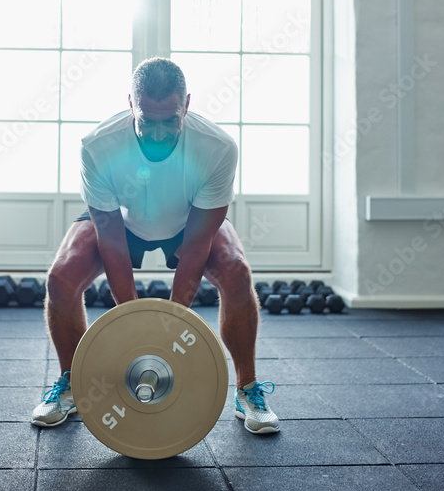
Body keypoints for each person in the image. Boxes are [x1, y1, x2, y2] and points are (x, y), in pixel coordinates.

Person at [31, 57, 279, 436]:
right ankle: (72, 384)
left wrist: (165, 333)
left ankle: (247, 390)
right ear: (131, 104)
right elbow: (111, 239)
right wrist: (134, 329)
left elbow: (196, 247)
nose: (159, 134)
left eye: (170, 121)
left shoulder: (217, 148)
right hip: (123, 224)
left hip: (188, 223)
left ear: (187, 105)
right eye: (148, 121)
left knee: (236, 271)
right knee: (61, 277)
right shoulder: (98, 146)